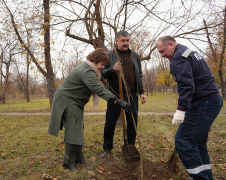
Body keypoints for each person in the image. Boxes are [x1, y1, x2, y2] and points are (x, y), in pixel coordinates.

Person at [48, 48, 133, 171]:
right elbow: (99, 89)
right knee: (73, 131)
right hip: (67, 101)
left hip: (75, 102)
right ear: (95, 60)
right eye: (102, 64)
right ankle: (68, 162)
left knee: (78, 129)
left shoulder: (89, 69)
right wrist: (119, 101)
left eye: (105, 65)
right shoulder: (87, 72)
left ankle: (79, 159)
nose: (103, 67)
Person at [156, 36, 223, 180]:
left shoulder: (178, 58)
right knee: (198, 143)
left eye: (163, 51)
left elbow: (186, 85)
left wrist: (181, 110)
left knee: (183, 141)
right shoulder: (188, 52)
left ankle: (199, 177)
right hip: (212, 101)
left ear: (171, 44)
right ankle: (205, 176)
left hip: (203, 103)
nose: (162, 55)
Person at [100, 30, 146, 158]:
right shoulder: (109, 54)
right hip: (114, 94)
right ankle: (107, 148)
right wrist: (112, 70)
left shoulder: (135, 56)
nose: (126, 43)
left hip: (132, 94)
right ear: (117, 41)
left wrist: (141, 92)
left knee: (132, 121)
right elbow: (101, 73)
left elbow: (139, 75)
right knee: (110, 122)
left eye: (127, 40)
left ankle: (130, 145)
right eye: (123, 41)